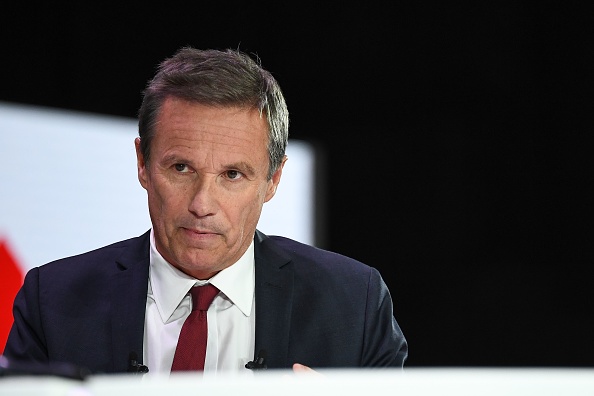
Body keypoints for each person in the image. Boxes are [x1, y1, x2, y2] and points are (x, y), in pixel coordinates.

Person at [2, 47, 408, 375]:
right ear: (143, 163)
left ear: (273, 179)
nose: (201, 205)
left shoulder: (355, 305)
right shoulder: (52, 302)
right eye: (181, 168)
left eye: (232, 175)